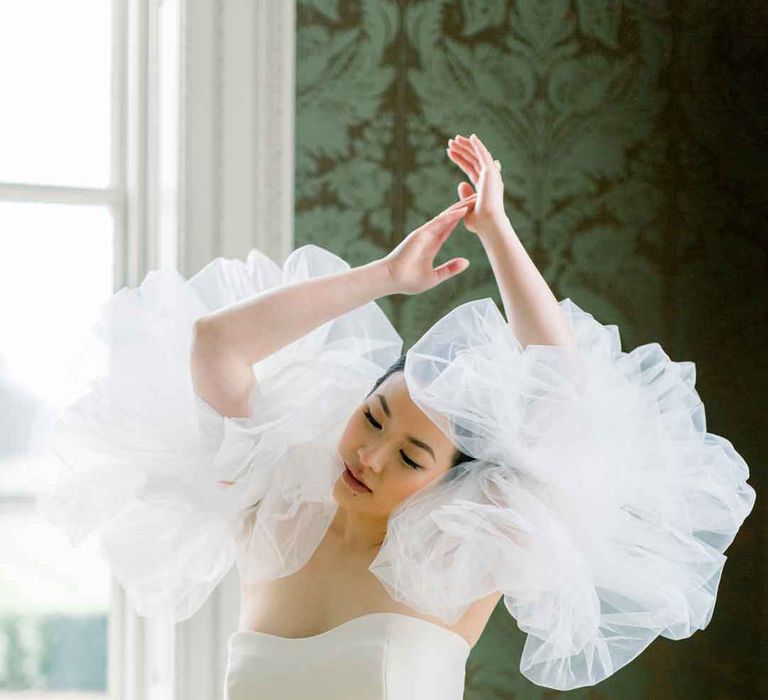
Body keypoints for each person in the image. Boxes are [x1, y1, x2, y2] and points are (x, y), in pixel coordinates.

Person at [35, 134, 756, 697]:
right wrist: (384, 277)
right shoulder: (273, 502)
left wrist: (496, 231)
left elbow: (562, 391)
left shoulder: (464, 549)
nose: (371, 456)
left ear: (452, 481)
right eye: (375, 418)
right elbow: (216, 344)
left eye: (412, 457)